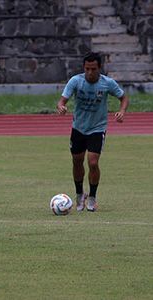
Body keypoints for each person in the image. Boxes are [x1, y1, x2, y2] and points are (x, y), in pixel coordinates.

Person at [56, 52, 129, 212]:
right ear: (84, 68)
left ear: (99, 68)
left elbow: (123, 98)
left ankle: (93, 197)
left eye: (93, 69)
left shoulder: (107, 83)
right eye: (87, 69)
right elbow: (62, 100)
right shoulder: (75, 81)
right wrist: (61, 106)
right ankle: (79, 194)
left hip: (97, 128)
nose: (90, 72)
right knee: (77, 161)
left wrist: (122, 111)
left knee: (93, 162)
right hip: (78, 128)